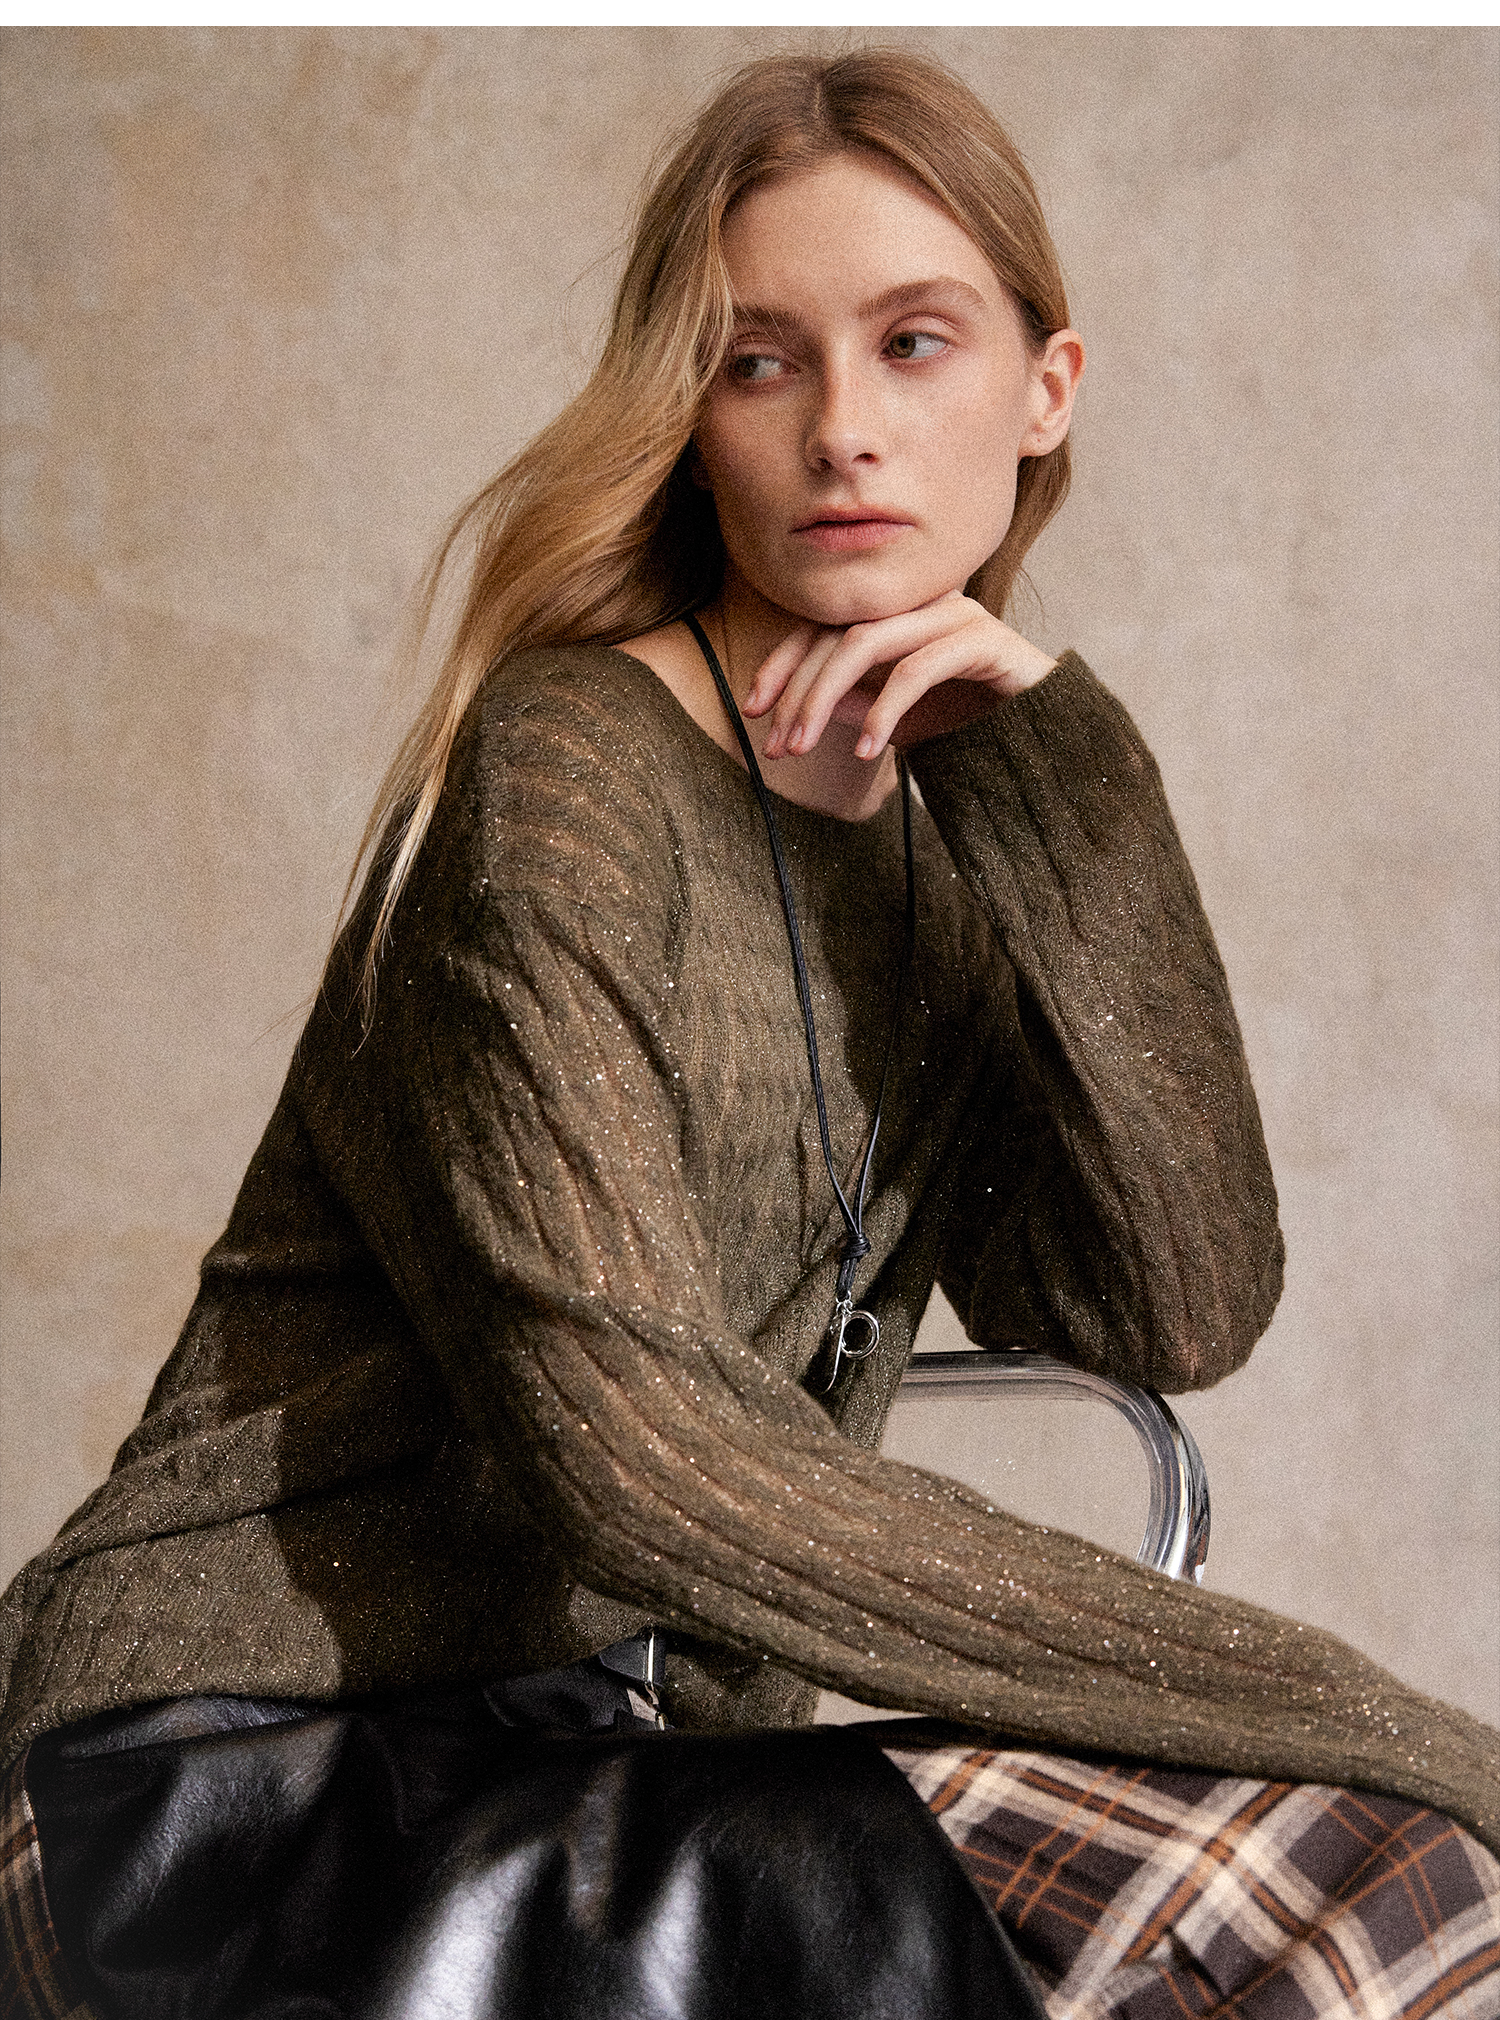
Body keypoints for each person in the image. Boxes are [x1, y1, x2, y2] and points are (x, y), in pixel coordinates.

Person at [2, 47, 1496, 2020]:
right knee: (1357, 1843)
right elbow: (641, 1463)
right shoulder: (565, 775)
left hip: (584, 1747)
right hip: (239, 1772)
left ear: (1047, 389)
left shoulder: (957, 841)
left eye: (915, 343)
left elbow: (1166, 1301)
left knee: (1353, 1870)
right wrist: (1353, 1704)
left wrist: (1069, 788)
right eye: (759, 361)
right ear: (692, 418)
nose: (843, 430)